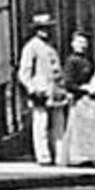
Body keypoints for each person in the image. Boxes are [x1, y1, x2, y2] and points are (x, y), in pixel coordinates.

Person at [17, 14, 68, 166]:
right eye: (42, 28)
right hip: (41, 90)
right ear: (36, 30)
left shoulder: (51, 47)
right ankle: (43, 156)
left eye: (47, 28)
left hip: (56, 91)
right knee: (41, 124)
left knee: (58, 125)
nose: (45, 31)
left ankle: (60, 155)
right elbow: (24, 72)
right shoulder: (31, 47)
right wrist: (32, 89)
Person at [62, 34, 95, 167]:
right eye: (79, 42)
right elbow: (69, 83)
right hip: (80, 100)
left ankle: (93, 156)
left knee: (93, 129)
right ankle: (79, 157)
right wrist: (84, 89)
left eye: (84, 42)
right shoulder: (72, 61)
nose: (82, 45)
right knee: (79, 131)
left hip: (92, 99)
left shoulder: (89, 60)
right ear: (72, 44)